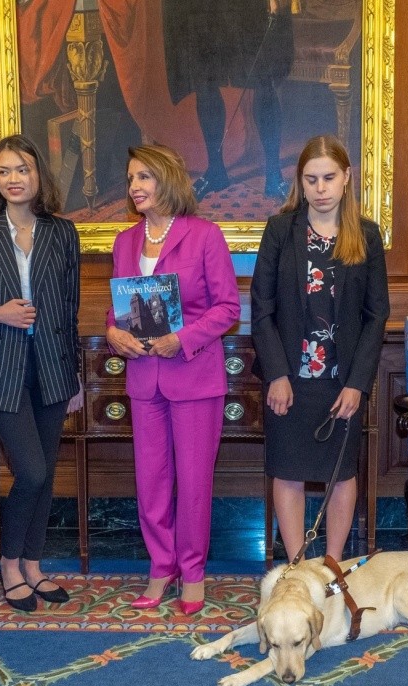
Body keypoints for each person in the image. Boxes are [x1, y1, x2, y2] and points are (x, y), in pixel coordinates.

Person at [0, 135, 84, 612]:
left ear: (37, 176)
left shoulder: (62, 233)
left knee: (45, 474)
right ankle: (9, 563)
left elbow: (68, 311)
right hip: (2, 370)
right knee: (28, 470)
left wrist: (76, 378)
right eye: (4, 171)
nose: (13, 179)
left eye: (21, 169)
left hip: (52, 370)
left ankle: (33, 563)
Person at [106, 144, 240, 614]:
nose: (134, 187)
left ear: (166, 179)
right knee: (152, 480)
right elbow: (118, 307)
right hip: (144, 379)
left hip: (194, 377)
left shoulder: (204, 236)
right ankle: (161, 567)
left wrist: (180, 340)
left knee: (195, 480)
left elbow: (227, 308)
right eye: (130, 180)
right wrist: (113, 332)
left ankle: (194, 572)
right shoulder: (124, 243)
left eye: (143, 177)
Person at [250, 134, 390, 562]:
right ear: (301, 182)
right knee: (288, 473)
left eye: (329, 178)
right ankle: (295, 566)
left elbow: (376, 315)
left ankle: (332, 566)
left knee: (341, 475)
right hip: (289, 382)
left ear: (346, 177)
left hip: (341, 382)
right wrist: (276, 373)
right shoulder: (280, 230)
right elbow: (261, 307)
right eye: (311, 179)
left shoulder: (365, 234)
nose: (321, 188)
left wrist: (357, 384)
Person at [163, 0, 294, 198]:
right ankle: (216, 171)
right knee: (205, 83)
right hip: (201, 9)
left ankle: (274, 175)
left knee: (263, 81)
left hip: (248, 7)